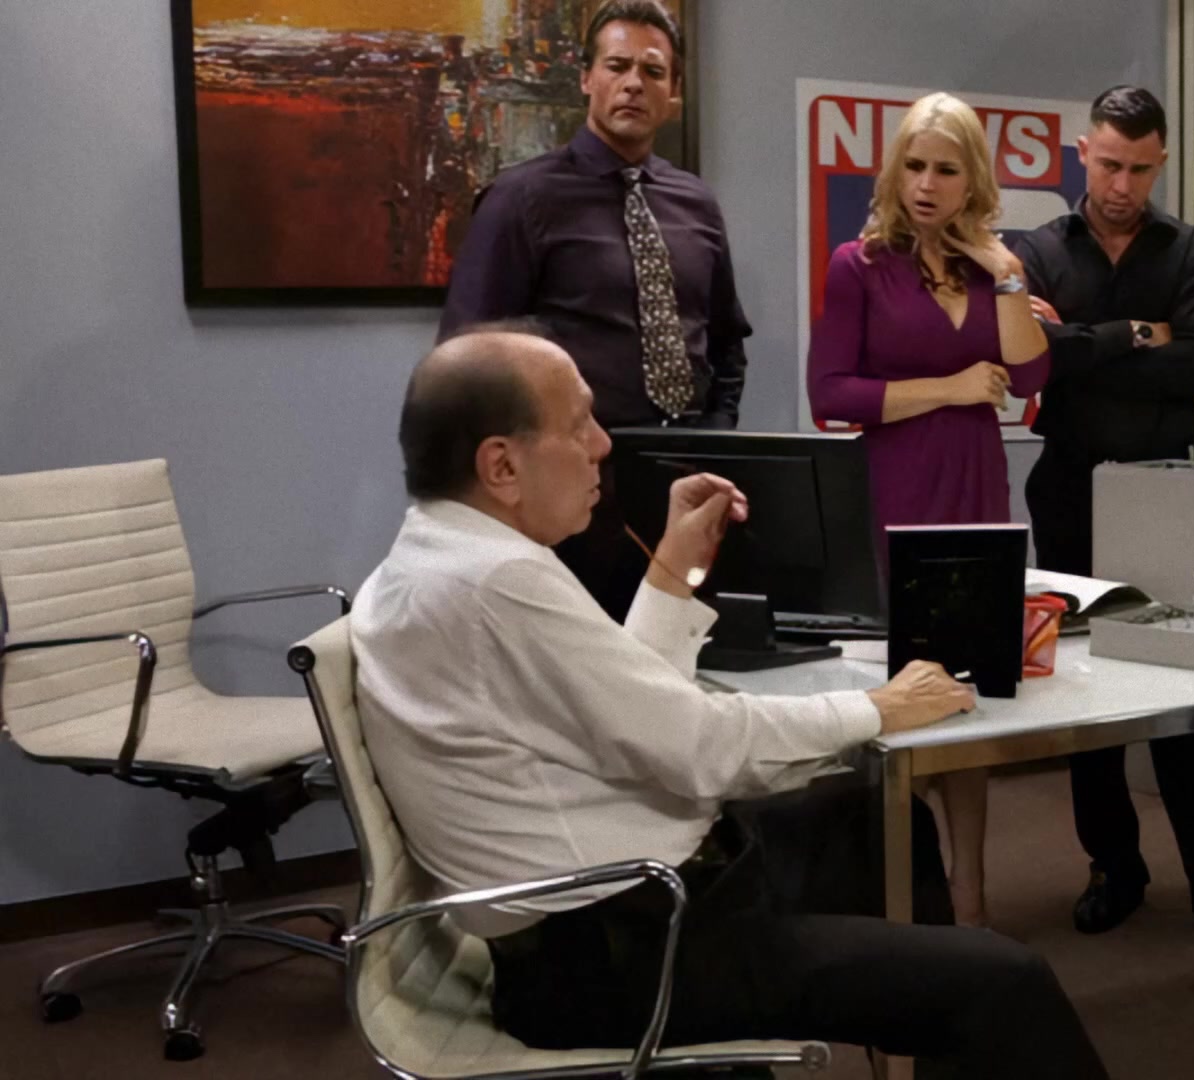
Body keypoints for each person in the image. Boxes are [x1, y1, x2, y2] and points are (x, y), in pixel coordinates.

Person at [352, 326, 1109, 1080]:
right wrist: (880, 707)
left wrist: (674, 571)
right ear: (501, 465)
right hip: (629, 955)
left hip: (614, 914)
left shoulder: (438, 559)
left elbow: (629, 710)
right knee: (1005, 981)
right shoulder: (495, 582)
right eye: (578, 424)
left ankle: (920, 1022)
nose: (601, 446)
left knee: (877, 820)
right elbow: (699, 748)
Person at [1013, 86, 1194, 955]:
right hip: (1069, 486)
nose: (1122, 185)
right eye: (1109, 164)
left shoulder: (1193, 252)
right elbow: (1035, 363)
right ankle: (1114, 869)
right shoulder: (1036, 250)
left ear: (1161, 163)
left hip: (1167, 492)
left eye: (1140, 169)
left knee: (1187, 687)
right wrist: (1140, 335)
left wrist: (1085, 343)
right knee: (1086, 692)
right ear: (1082, 152)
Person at [806, 92, 1050, 928]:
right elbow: (830, 394)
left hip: (977, 488)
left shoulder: (994, 269)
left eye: (946, 170)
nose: (926, 184)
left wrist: (1005, 271)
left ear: (971, 180)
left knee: (968, 692)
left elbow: (1030, 375)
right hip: (894, 489)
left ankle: (971, 896)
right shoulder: (858, 264)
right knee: (899, 695)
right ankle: (899, 902)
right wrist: (948, 387)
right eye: (913, 166)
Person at [438, 0, 752, 619]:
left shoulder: (696, 203)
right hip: (569, 491)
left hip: (683, 484)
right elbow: (468, 363)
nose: (634, 83)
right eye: (617, 65)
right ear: (586, 78)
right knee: (575, 664)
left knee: (681, 654)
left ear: (673, 92)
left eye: (652, 71)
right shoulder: (521, 199)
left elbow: (725, 343)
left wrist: (716, 435)